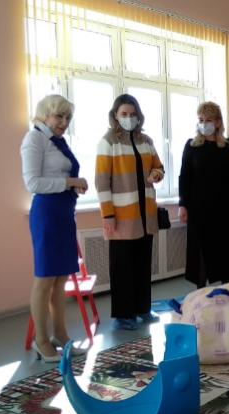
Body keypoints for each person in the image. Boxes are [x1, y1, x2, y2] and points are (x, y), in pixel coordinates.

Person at [21, 94, 89, 362]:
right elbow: (33, 183)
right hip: (47, 213)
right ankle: (41, 340)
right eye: (59, 116)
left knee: (61, 280)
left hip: (64, 212)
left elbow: (58, 176)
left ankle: (61, 335)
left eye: (68, 117)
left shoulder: (57, 141)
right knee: (44, 279)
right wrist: (70, 182)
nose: (64, 122)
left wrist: (73, 185)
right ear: (44, 114)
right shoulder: (34, 139)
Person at [95, 94, 165, 330]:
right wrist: (107, 215)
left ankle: (142, 308)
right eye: (124, 114)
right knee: (122, 267)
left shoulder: (146, 141)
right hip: (121, 217)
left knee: (143, 265)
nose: (129, 118)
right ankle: (123, 315)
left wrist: (156, 174)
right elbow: (101, 181)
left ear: (139, 116)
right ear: (115, 115)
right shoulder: (108, 142)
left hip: (145, 215)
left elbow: (159, 167)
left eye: (133, 114)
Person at [178, 101, 229, 288]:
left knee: (224, 249)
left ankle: (226, 290)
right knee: (200, 252)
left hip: (223, 207)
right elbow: (184, 177)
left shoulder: (228, 146)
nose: (204, 124)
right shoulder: (191, 146)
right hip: (198, 208)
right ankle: (200, 292)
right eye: (201, 120)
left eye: (208, 120)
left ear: (217, 122)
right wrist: (182, 205)